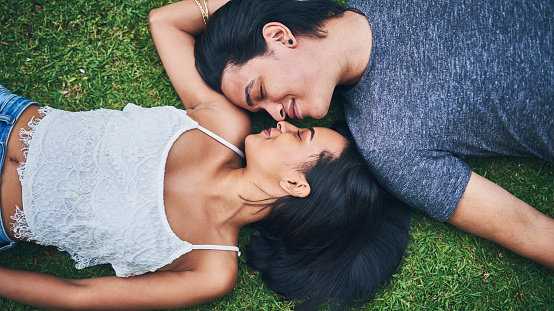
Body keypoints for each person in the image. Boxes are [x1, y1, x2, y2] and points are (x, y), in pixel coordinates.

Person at [0, 2, 412, 310]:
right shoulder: (222, 125)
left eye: (301, 134)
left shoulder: (211, 270)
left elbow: (77, 296)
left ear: (295, 183)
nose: (283, 121)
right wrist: (283, 10)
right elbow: (166, 22)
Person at [194, 0, 554, 269]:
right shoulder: (388, 146)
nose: (275, 114)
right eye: (258, 110)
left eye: (259, 93)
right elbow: (531, 230)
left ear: (279, 36)